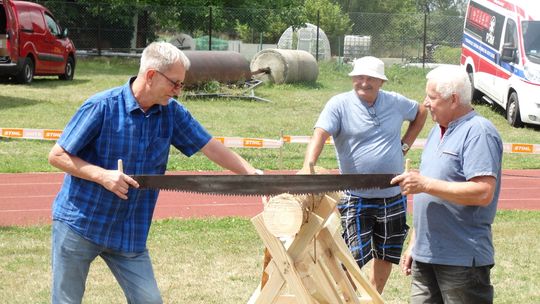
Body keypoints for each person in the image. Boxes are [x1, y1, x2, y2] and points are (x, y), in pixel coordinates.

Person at [48, 42, 261, 304]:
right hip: (80, 224)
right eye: (174, 83)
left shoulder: (171, 113)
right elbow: (57, 155)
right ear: (150, 75)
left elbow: (210, 146)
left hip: (129, 231)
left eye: (181, 84)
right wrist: (102, 175)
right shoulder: (102, 106)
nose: (178, 91)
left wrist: (251, 173)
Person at [301, 56, 427, 293]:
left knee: (387, 252)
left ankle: (374, 296)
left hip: (393, 194)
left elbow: (421, 112)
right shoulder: (338, 104)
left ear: (381, 82)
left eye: (370, 78)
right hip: (356, 196)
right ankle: (348, 297)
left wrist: (405, 145)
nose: (364, 82)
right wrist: (309, 166)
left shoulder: (395, 102)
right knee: (350, 256)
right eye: (359, 77)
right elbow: (320, 134)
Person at [391, 65, 503, 303]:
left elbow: (483, 192)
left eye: (432, 97)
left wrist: (425, 184)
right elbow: (428, 189)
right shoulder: (435, 132)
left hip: (461, 259)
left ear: (453, 99)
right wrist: (415, 243)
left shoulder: (479, 132)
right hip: (426, 254)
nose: (426, 103)